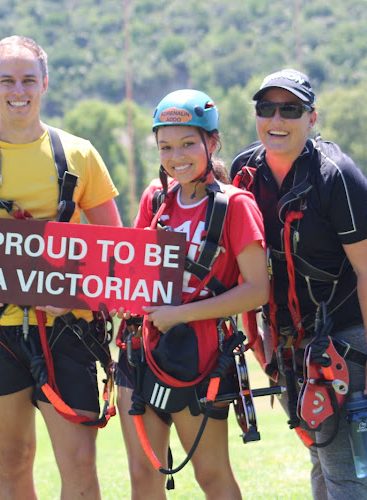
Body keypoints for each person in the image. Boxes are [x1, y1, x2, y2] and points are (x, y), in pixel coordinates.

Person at [0, 35, 122, 499]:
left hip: (69, 328)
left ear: (45, 84)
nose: (19, 90)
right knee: (13, 462)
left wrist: (81, 289)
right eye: (8, 80)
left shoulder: (80, 154)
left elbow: (115, 245)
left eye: (29, 79)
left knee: (79, 461)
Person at [230, 69, 367, 499]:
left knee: (343, 464)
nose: (276, 119)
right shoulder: (244, 172)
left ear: (311, 117)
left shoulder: (337, 176)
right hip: (290, 338)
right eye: (266, 108)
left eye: (290, 109)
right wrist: (262, 343)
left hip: (353, 330)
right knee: (321, 452)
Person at [113, 89, 269, 499]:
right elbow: (132, 271)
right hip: (141, 351)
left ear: (212, 142)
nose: (176, 156)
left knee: (211, 475)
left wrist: (180, 315)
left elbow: (257, 290)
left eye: (187, 144)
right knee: (144, 474)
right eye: (166, 146)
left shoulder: (236, 206)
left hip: (199, 357)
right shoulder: (156, 199)